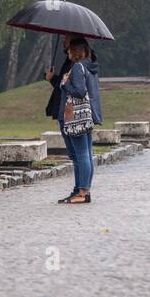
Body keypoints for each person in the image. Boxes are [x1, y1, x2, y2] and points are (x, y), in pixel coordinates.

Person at [56, 37, 102, 204]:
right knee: (87, 154)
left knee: (82, 154)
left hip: (77, 116)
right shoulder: (90, 66)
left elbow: (80, 91)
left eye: (69, 50)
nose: (67, 52)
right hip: (87, 116)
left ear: (75, 52)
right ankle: (83, 190)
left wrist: (64, 84)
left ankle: (82, 191)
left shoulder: (77, 67)